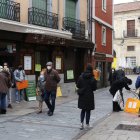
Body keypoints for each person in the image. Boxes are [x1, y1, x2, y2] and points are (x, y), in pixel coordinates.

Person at [77, 64, 97, 130]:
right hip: (89, 96)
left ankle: (81, 124)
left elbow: (78, 85)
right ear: (91, 70)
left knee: (83, 110)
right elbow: (94, 88)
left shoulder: (81, 77)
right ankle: (87, 124)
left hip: (82, 95)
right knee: (88, 110)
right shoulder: (93, 78)